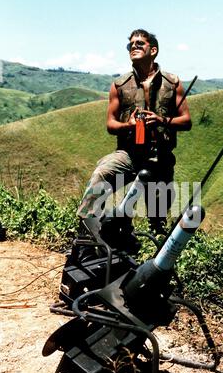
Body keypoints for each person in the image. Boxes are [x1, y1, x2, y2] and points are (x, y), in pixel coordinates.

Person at [77, 28, 192, 244]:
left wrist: (162, 120)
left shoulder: (172, 82)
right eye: (131, 44)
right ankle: (86, 238)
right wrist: (127, 125)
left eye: (140, 43)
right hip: (128, 154)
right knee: (101, 174)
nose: (134, 47)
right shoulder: (119, 84)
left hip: (161, 157)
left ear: (154, 50)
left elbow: (186, 121)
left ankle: (150, 254)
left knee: (157, 220)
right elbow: (111, 124)